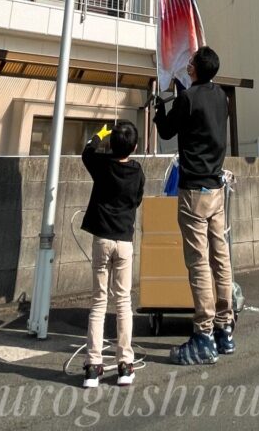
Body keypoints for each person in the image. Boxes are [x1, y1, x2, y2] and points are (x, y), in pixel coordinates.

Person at [154, 45, 235, 365]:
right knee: (221, 257)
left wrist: (160, 108)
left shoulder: (187, 99)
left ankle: (202, 335)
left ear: (195, 69)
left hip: (193, 193)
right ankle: (224, 329)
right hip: (216, 189)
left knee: (198, 262)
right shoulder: (222, 99)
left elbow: (166, 129)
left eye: (190, 63)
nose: (186, 65)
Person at [80, 120, 145, 388]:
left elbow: (86, 152)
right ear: (135, 146)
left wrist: (100, 134)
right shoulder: (137, 171)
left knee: (98, 302)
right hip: (124, 242)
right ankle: (124, 365)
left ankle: (93, 367)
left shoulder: (103, 165)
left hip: (102, 240)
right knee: (123, 303)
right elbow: (138, 199)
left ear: (111, 145)